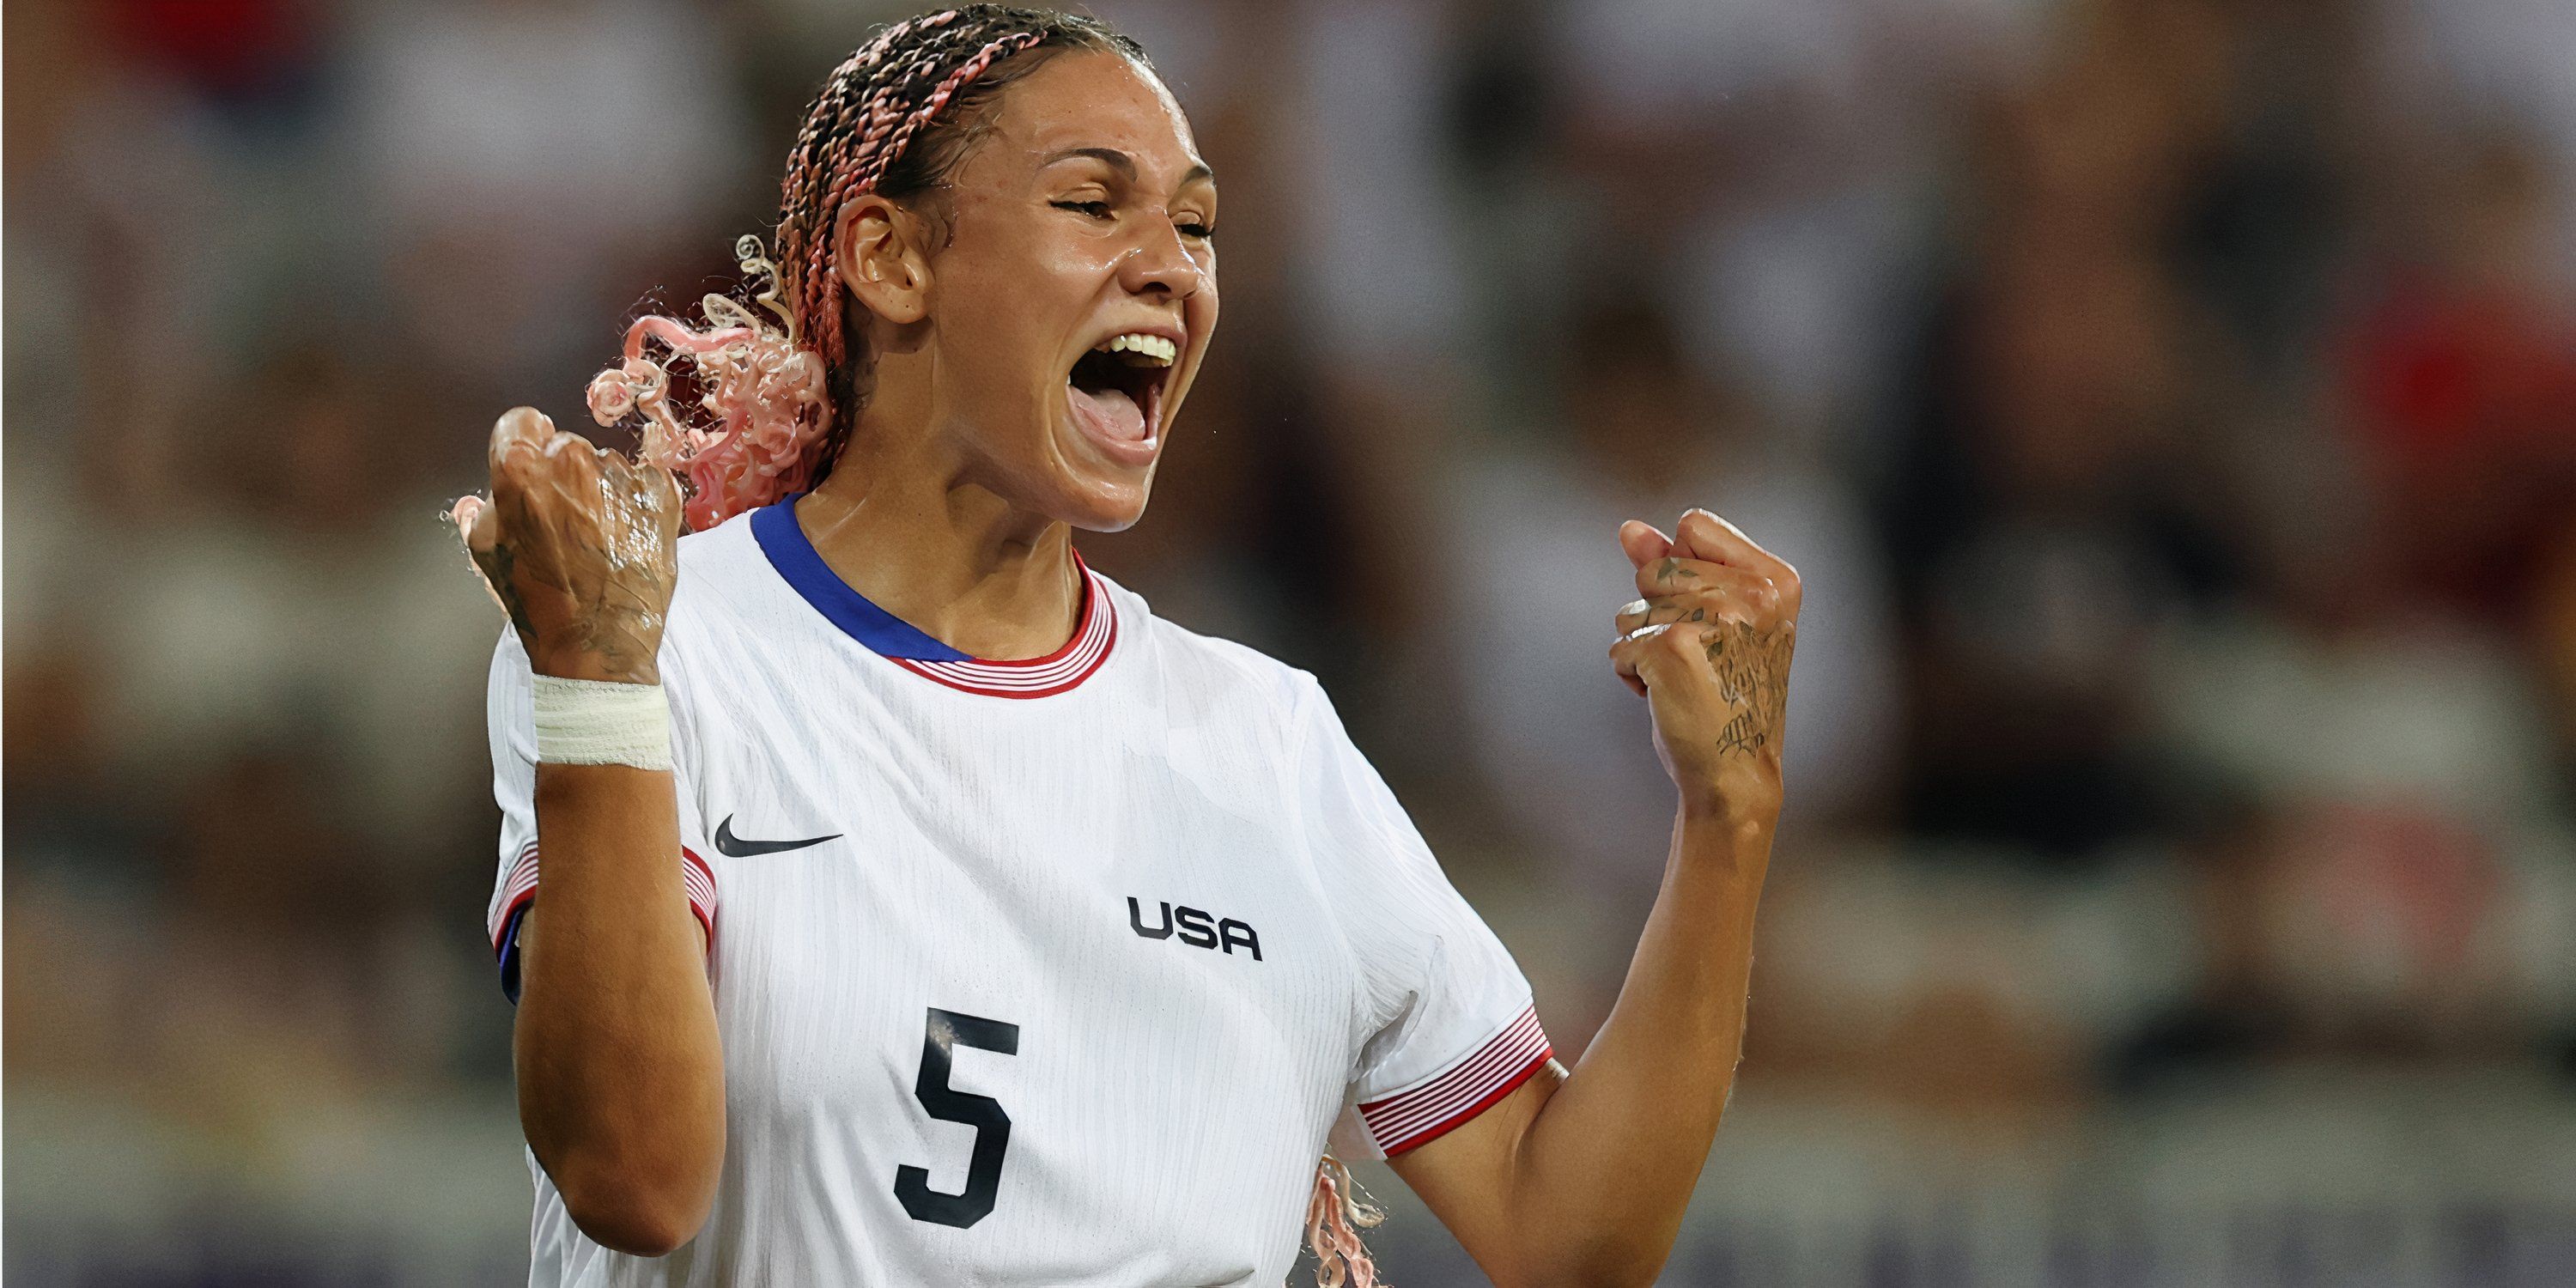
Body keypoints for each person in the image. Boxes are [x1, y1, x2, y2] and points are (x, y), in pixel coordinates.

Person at [454, 8, 1801, 1285]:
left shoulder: (1268, 744)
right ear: (891, 259)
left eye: (1199, 225)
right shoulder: (649, 653)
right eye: (1093, 203)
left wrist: (1728, 819)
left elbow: (1566, 1241)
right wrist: (598, 697)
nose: (1170, 264)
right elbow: (629, 1177)